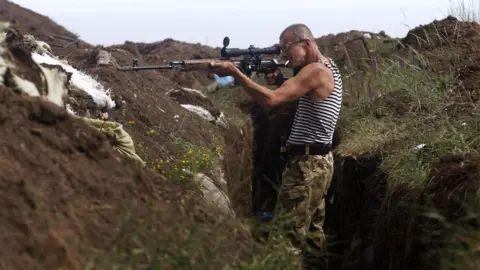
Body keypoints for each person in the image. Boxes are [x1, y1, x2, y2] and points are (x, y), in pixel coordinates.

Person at [211, 23, 343, 269]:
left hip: (307, 167)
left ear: (306, 44)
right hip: (319, 163)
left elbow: (272, 101)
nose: (283, 55)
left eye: (286, 48)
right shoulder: (326, 66)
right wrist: (281, 79)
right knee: (313, 237)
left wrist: (236, 74)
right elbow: (307, 95)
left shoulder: (314, 71)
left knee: (284, 241)